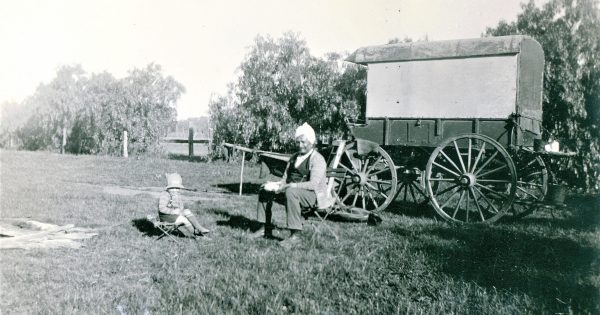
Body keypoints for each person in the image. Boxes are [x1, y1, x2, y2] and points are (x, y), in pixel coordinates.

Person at [253, 123, 334, 246]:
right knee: (264, 189)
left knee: (291, 192)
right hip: (291, 191)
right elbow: (285, 178)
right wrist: (276, 184)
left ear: (311, 143)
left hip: (313, 196)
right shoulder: (294, 157)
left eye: (303, 142)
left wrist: (291, 186)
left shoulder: (317, 159)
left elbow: (313, 185)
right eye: (298, 142)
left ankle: (296, 236)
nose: (300, 145)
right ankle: (264, 228)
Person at [158, 173, 210, 238]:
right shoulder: (165, 195)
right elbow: (162, 209)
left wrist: (181, 210)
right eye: (172, 188)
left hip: (173, 215)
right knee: (184, 219)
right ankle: (198, 236)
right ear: (168, 187)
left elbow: (180, 206)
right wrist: (173, 211)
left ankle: (199, 227)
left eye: (177, 188)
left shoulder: (176, 195)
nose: (175, 190)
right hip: (166, 217)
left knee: (187, 211)